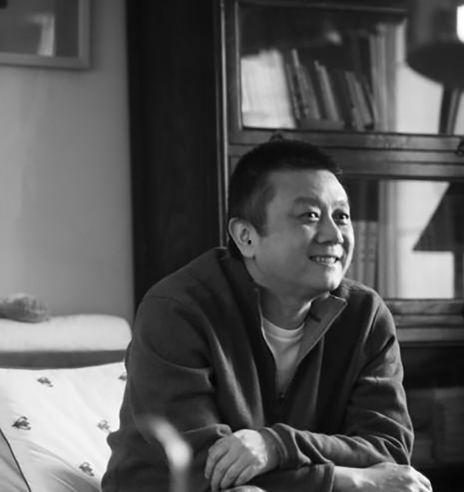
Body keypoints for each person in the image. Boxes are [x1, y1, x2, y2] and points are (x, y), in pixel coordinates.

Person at [102, 138, 432, 492]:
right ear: (246, 237)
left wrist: (278, 446)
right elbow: (203, 465)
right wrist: (347, 479)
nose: (334, 234)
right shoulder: (176, 310)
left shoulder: (365, 315)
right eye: (310, 216)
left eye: (342, 216)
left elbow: (388, 450)